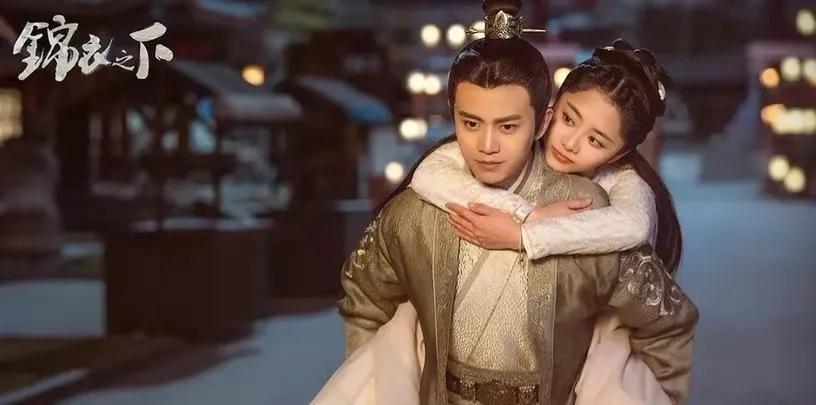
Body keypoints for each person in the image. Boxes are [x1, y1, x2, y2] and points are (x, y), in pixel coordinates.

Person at [316, 1, 698, 404]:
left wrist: (659, 396)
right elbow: (364, 297)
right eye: (471, 123)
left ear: (541, 120)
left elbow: (668, 323)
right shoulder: (418, 206)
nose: (487, 146)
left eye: (509, 126)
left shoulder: (589, 214)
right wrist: (376, 379)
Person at [408, 36, 684, 405]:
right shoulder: (510, 139)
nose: (570, 143)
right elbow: (429, 174)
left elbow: (634, 225)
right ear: (550, 109)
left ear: (620, 153)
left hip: (575, 346)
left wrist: (524, 236)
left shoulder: (620, 181)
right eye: (569, 119)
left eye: (596, 141)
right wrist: (525, 211)